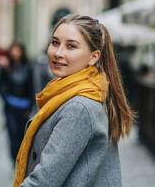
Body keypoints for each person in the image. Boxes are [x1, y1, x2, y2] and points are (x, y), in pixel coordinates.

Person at [13, 14, 135, 187]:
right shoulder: (67, 94)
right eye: (55, 43)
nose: (58, 53)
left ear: (94, 56)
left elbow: (43, 181)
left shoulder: (79, 107)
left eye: (71, 46)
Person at [0, 42, 34, 163]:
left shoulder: (28, 67)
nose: (15, 53)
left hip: (24, 108)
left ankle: (22, 161)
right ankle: (15, 162)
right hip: (10, 107)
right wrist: (6, 98)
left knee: (22, 136)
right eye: (13, 50)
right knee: (12, 137)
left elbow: (32, 88)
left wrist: (31, 107)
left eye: (17, 50)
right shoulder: (6, 67)